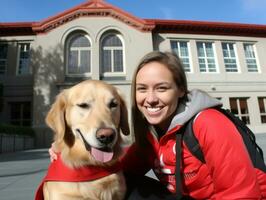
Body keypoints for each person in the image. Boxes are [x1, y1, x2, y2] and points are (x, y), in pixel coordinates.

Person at [49, 51, 266, 199]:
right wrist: (64, 149)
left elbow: (242, 194)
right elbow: (118, 167)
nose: (150, 99)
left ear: (180, 90)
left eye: (161, 88)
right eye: (142, 89)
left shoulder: (209, 123)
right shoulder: (151, 136)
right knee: (126, 184)